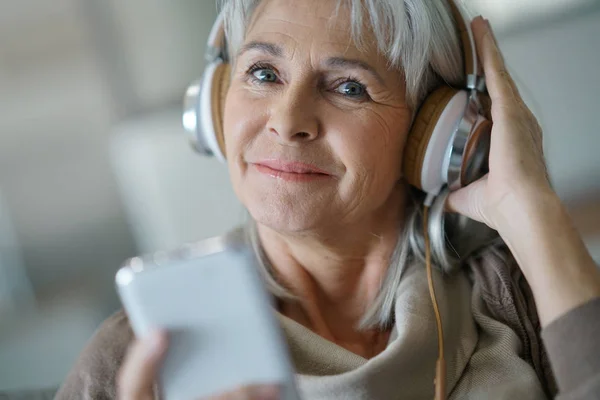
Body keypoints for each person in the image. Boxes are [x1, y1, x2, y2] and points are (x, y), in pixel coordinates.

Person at [56, 0, 600, 399]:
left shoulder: (517, 292)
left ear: (432, 138)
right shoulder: (135, 360)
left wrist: (532, 209)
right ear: (217, 103)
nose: (288, 121)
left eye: (348, 87)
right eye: (263, 73)